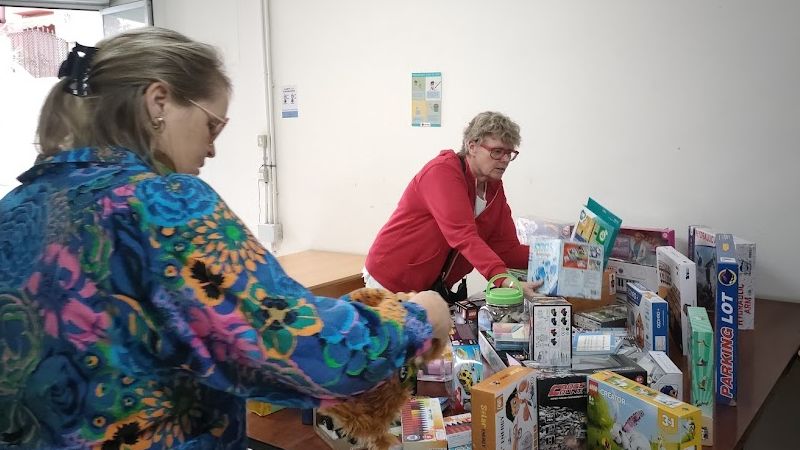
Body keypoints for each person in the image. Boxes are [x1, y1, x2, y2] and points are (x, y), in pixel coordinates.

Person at [0, 28, 450, 449]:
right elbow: (297, 344)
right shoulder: (163, 203)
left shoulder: (15, 208)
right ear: (158, 102)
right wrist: (416, 319)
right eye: (213, 125)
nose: (213, 148)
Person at [364, 111, 541, 297]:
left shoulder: (494, 188)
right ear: (472, 146)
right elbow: (463, 234)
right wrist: (503, 279)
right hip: (390, 279)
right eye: (497, 152)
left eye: (509, 153)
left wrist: (552, 258)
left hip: (429, 288)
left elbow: (507, 249)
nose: (505, 160)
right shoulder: (442, 172)